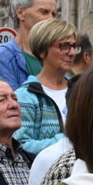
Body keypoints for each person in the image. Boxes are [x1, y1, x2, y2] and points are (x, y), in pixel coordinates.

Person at [13, 18, 78, 157]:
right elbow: (20, 145)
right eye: (64, 46)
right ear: (42, 51)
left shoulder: (81, 90)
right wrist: (66, 142)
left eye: (74, 46)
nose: (72, 52)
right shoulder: (26, 96)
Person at [0, 0, 58, 91]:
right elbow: (6, 104)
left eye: (54, 14)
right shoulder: (3, 57)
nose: (51, 19)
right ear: (20, 13)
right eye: (44, 12)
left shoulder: (58, 55)